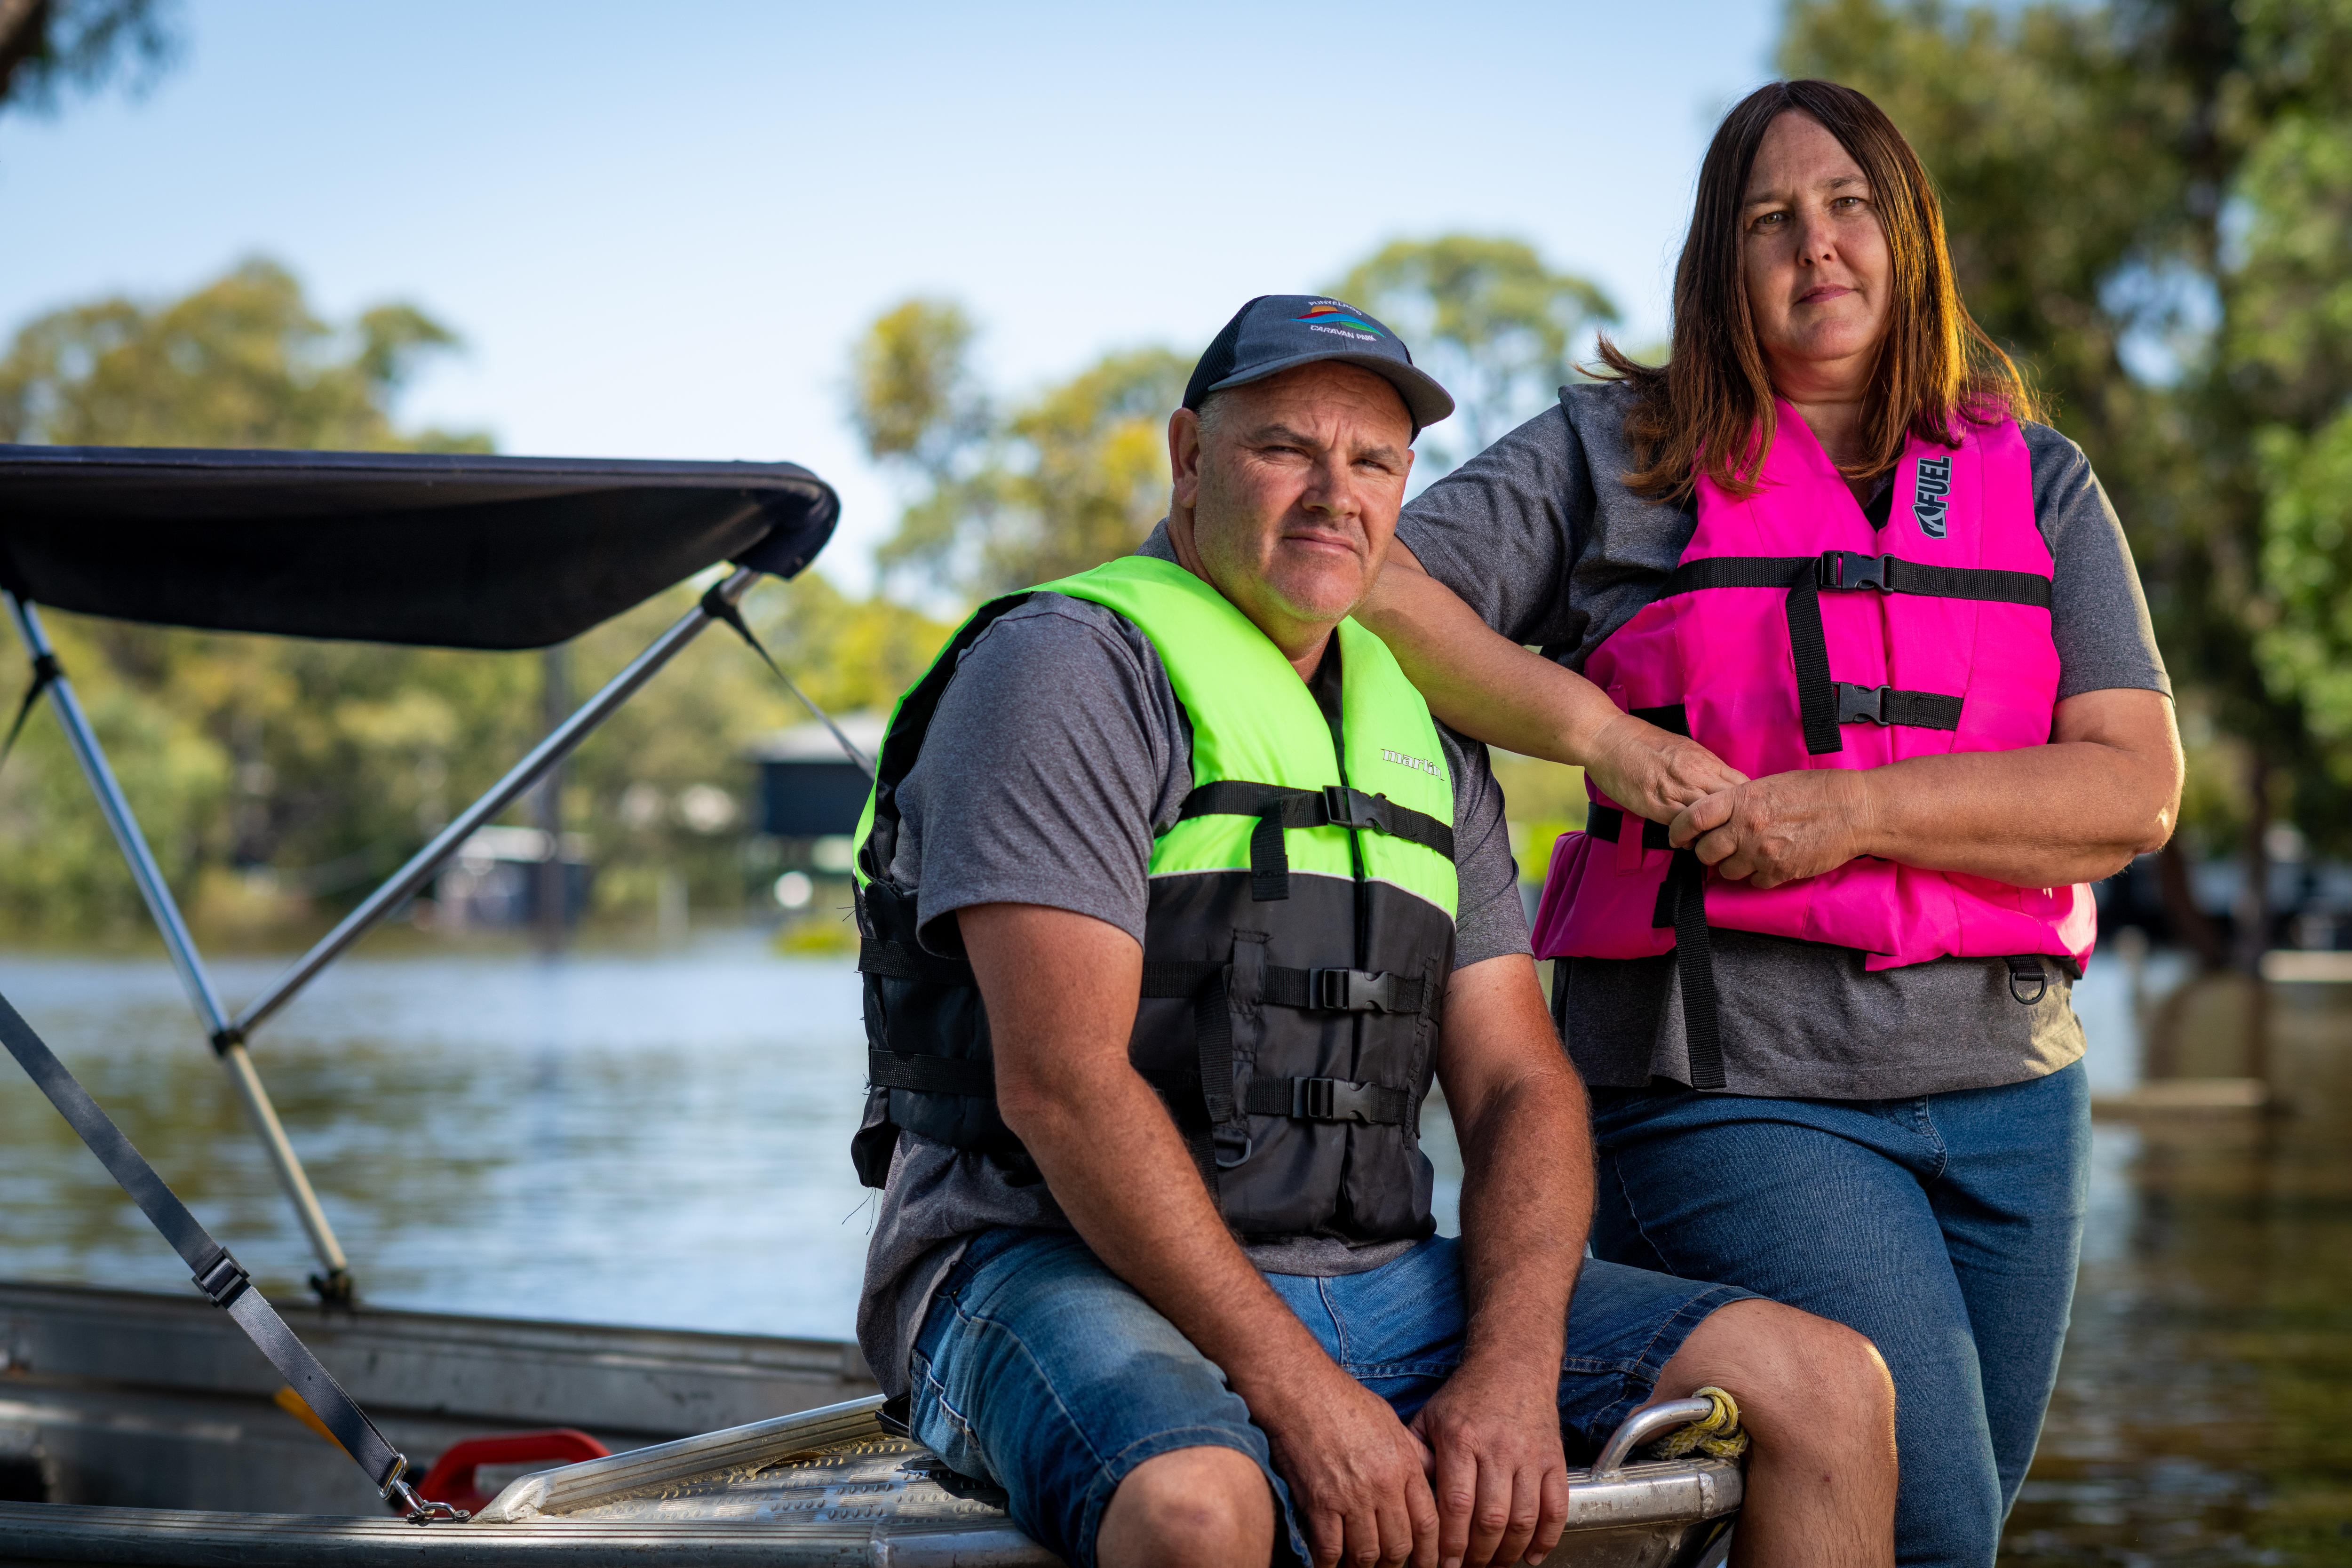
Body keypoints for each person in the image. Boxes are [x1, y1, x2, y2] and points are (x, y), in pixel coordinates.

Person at [848, 293, 1898, 1568]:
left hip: (1377, 1274)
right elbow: (1064, 1087)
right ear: (1189, 458)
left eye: (1375, 461)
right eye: (1285, 447)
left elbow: (1516, 1080)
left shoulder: (1418, 736)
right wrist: (1304, 1398)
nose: (1334, 493)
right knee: (1196, 1504)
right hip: (1038, 1262)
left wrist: (1512, 1375)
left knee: (1827, 1388)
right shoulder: (1069, 671)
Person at [1356, 82, 2184, 1568]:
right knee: (1930, 1529)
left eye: (1851, 205)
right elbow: (1371, 582)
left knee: (1937, 1530)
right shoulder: (1613, 456)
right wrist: (1603, 737)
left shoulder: (2040, 479)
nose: (1819, 246)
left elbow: (2133, 786)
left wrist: (1851, 812)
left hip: (2012, 1089)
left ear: (1908, 236)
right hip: (1731, 1086)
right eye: (1770, 219)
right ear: (1719, 263)